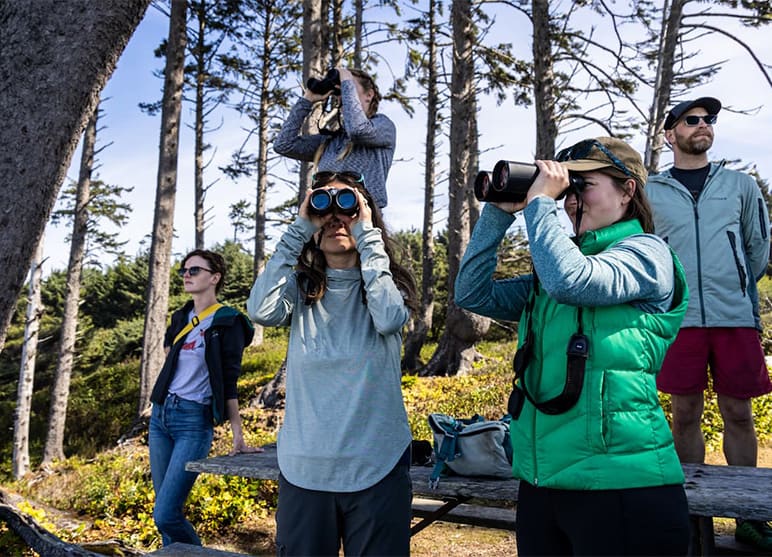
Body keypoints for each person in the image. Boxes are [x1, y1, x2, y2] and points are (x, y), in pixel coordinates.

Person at [455, 137, 691, 555]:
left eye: (583, 185)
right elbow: (473, 295)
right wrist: (497, 213)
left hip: (622, 483)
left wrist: (540, 204)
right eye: (566, 189)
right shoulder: (555, 266)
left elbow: (574, 281)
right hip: (543, 482)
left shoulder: (648, 253)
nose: (568, 200)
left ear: (627, 190)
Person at [247, 171, 418, 556]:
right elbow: (260, 309)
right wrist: (300, 227)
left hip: (377, 465)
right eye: (325, 206)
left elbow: (389, 317)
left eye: (349, 205)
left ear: (366, 215)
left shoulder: (386, 284)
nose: (336, 217)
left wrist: (367, 236)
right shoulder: (300, 288)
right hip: (305, 469)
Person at [647, 96, 772, 550]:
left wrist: (736, 283)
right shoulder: (651, 191)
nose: (703, 125)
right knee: (684, 416)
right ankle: (694, 516)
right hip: (678, 318)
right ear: (670, 134)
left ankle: (747, 516)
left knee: (739, 412)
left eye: (708, 120)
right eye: (691, 120)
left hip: (734, 316)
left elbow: (758, 248)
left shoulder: (740, 185)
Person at [148, 250, 259, 547]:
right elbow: (170, 360)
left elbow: (229, 381)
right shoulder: (180, 316)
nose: (186, 275)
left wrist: (238, 435)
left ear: (215, 277)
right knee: (164, 511)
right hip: (160, 417)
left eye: (195, 270)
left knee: (165, 514)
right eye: (184, 270)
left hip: (192, 422)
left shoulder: (229, 322)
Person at [273, 67, 395, 209]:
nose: (343, 95)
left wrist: (346, 78)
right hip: (328, 218)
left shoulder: (383, 125)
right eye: (341, 91)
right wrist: (308, 100)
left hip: (363, 221)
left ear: (369, 95)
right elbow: (283, 145)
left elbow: (358, 130)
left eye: (349, 89)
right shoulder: (331, 141)